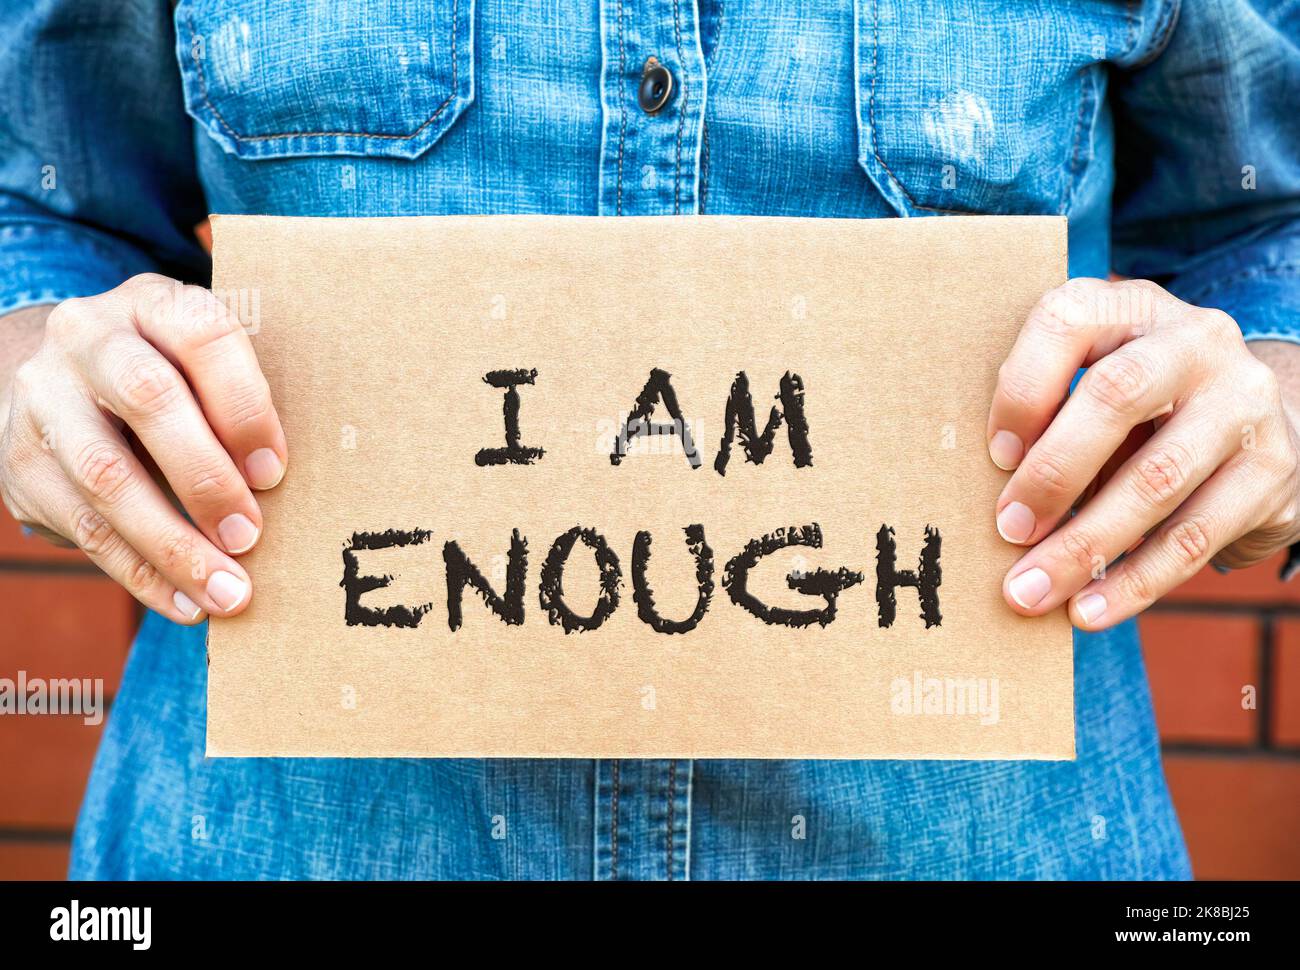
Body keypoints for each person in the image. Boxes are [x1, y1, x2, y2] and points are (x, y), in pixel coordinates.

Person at [0, 0, 1296, 880]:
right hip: (272, 836)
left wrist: (1270, 410)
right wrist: (35, 373)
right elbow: (39, 206)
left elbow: (1269, 227)